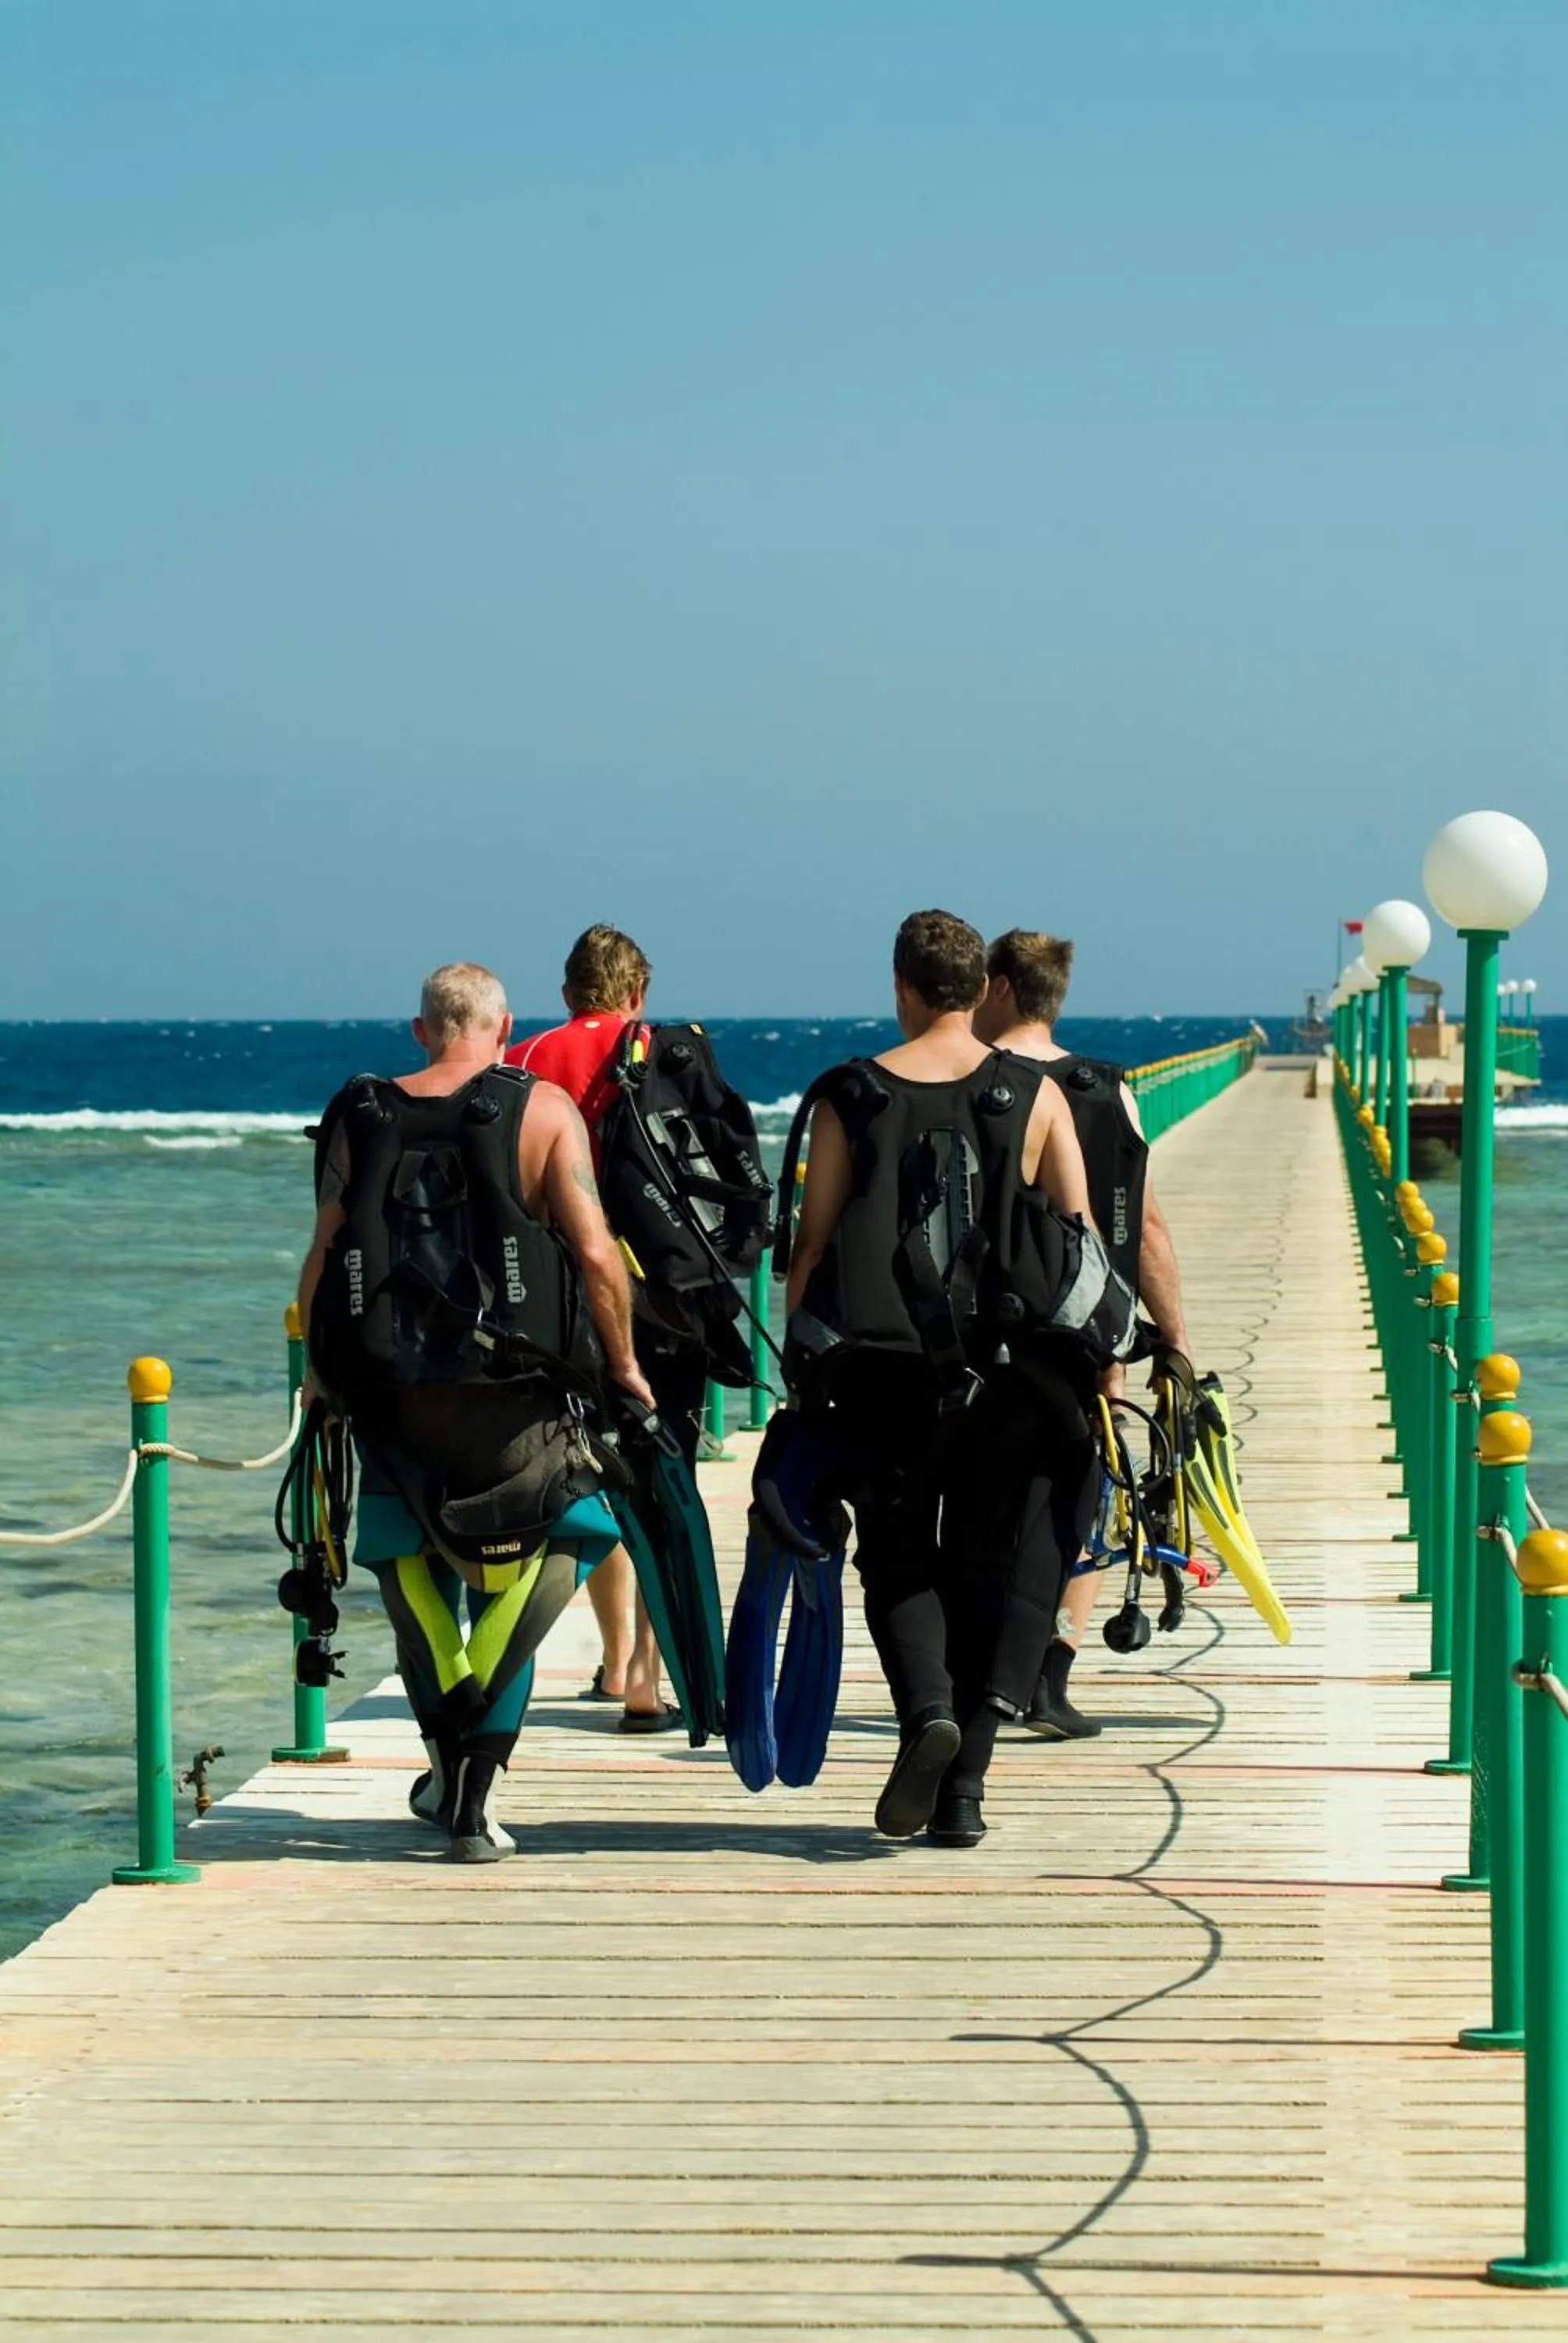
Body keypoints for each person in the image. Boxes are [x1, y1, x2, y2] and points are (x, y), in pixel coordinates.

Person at [297, 961, 657, 1860]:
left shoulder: (360, 1113)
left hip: (389, 1392)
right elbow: (595, 1254)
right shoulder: (538, 1109)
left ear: (421, 1030)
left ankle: (445, 1759)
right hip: (516, 1398)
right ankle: (475, 1788)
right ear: (503, 1030)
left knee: (404, 1563)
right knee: (567, 1541)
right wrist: (623, 1364)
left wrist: (314, 1373)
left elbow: (323, 1251)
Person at [782, 909, 1110, 1848]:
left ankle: (924, 1707)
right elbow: (1076, 1239)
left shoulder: (854, 1094)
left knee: (893, 1554)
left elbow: (813, 1246)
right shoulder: (1034, 1094)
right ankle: (963, 1791)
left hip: (885, 1372)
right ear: (981, 991)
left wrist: (797, 1369)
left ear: (900, 988)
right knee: (983, 1565)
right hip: (1007, 1375)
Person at [508, 924, 766, 1730]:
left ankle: (615, 1659)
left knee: (590, 1476)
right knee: (664, 1475)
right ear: (638, 993)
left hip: (559, 1301)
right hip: (664, 1295)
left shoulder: (525, 1060)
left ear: (566, 993)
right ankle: (653, 1674)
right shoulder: (671, 1051)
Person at [973, 929, 1192, 1739]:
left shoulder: (970, 1082)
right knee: (1082, 1505)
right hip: (1088, 1335)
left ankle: (988, 1669)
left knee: (990, 1508)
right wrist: (1171, 1340)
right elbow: (1149, 1226)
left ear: (996, 987)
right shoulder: (1108, 1089)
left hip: (981, 1337)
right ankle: (1049, 1676)